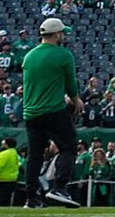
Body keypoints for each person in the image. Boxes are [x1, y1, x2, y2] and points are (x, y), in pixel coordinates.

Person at [19, 17, 81, 207]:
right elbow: (71, 82)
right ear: (56, 34)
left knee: (35, 155)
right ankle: (59, 188)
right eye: (62, 32)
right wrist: (75, 99)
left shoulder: (29, 56)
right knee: (69, 147)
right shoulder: (63, 55)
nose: (63, 36)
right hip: (53, 110)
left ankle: (31, 198)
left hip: (31, 113)